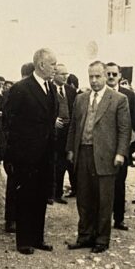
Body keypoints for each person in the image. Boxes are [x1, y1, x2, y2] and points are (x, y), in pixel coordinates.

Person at [65, 61, 131, 253]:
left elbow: (124, 129)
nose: (94, 81)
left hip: (106, 156)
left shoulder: (118, 99)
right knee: (84, 197)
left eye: (98, 76)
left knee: (104, 199)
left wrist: (120, 153)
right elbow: (74, 126)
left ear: (105, 76)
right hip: (83, 153)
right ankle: (85, 236)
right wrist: (70, 149)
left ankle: (102, 239)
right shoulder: (81, 99)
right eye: (91, 76)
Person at [3, 49, 58, 255]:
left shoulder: (50, 88)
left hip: (45, 154)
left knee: (40, 196)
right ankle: (24, 241)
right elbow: (8, 123)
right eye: (53, 64)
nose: (55, 67)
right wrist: (9, 155)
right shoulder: (21, 88)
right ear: (41, 64)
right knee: (25, 196)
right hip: (24, 155)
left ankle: (37, 238)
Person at [1, 62, 34, 233]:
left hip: (16, 146)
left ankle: (16, 218)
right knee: (14, 183)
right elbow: (8, 121)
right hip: (14, 147)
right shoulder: (16, 91)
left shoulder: (16, 91)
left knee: (18, 184)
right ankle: (11, 219)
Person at [105, 62, 135, 231]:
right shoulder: (99, 93)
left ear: (120, 76)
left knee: (119, 182)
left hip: (121, 145)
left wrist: (127, 146)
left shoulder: (129, 95)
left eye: (114, 74)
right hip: (103, 145)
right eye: (108, 74)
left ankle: (118, 218)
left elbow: (133, 122)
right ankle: (102, 218)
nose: (110, 77)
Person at [52, 63, 76, 204]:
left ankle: (66, 191)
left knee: (68, 161)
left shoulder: (71, 91)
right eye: (62, 74)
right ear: (55, 74)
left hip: (68, 130)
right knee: (56, 162)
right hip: (55, 130)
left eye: (67, 74)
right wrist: (53, 120)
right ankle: (53, 193)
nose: (65, 77)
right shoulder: (49, 89)